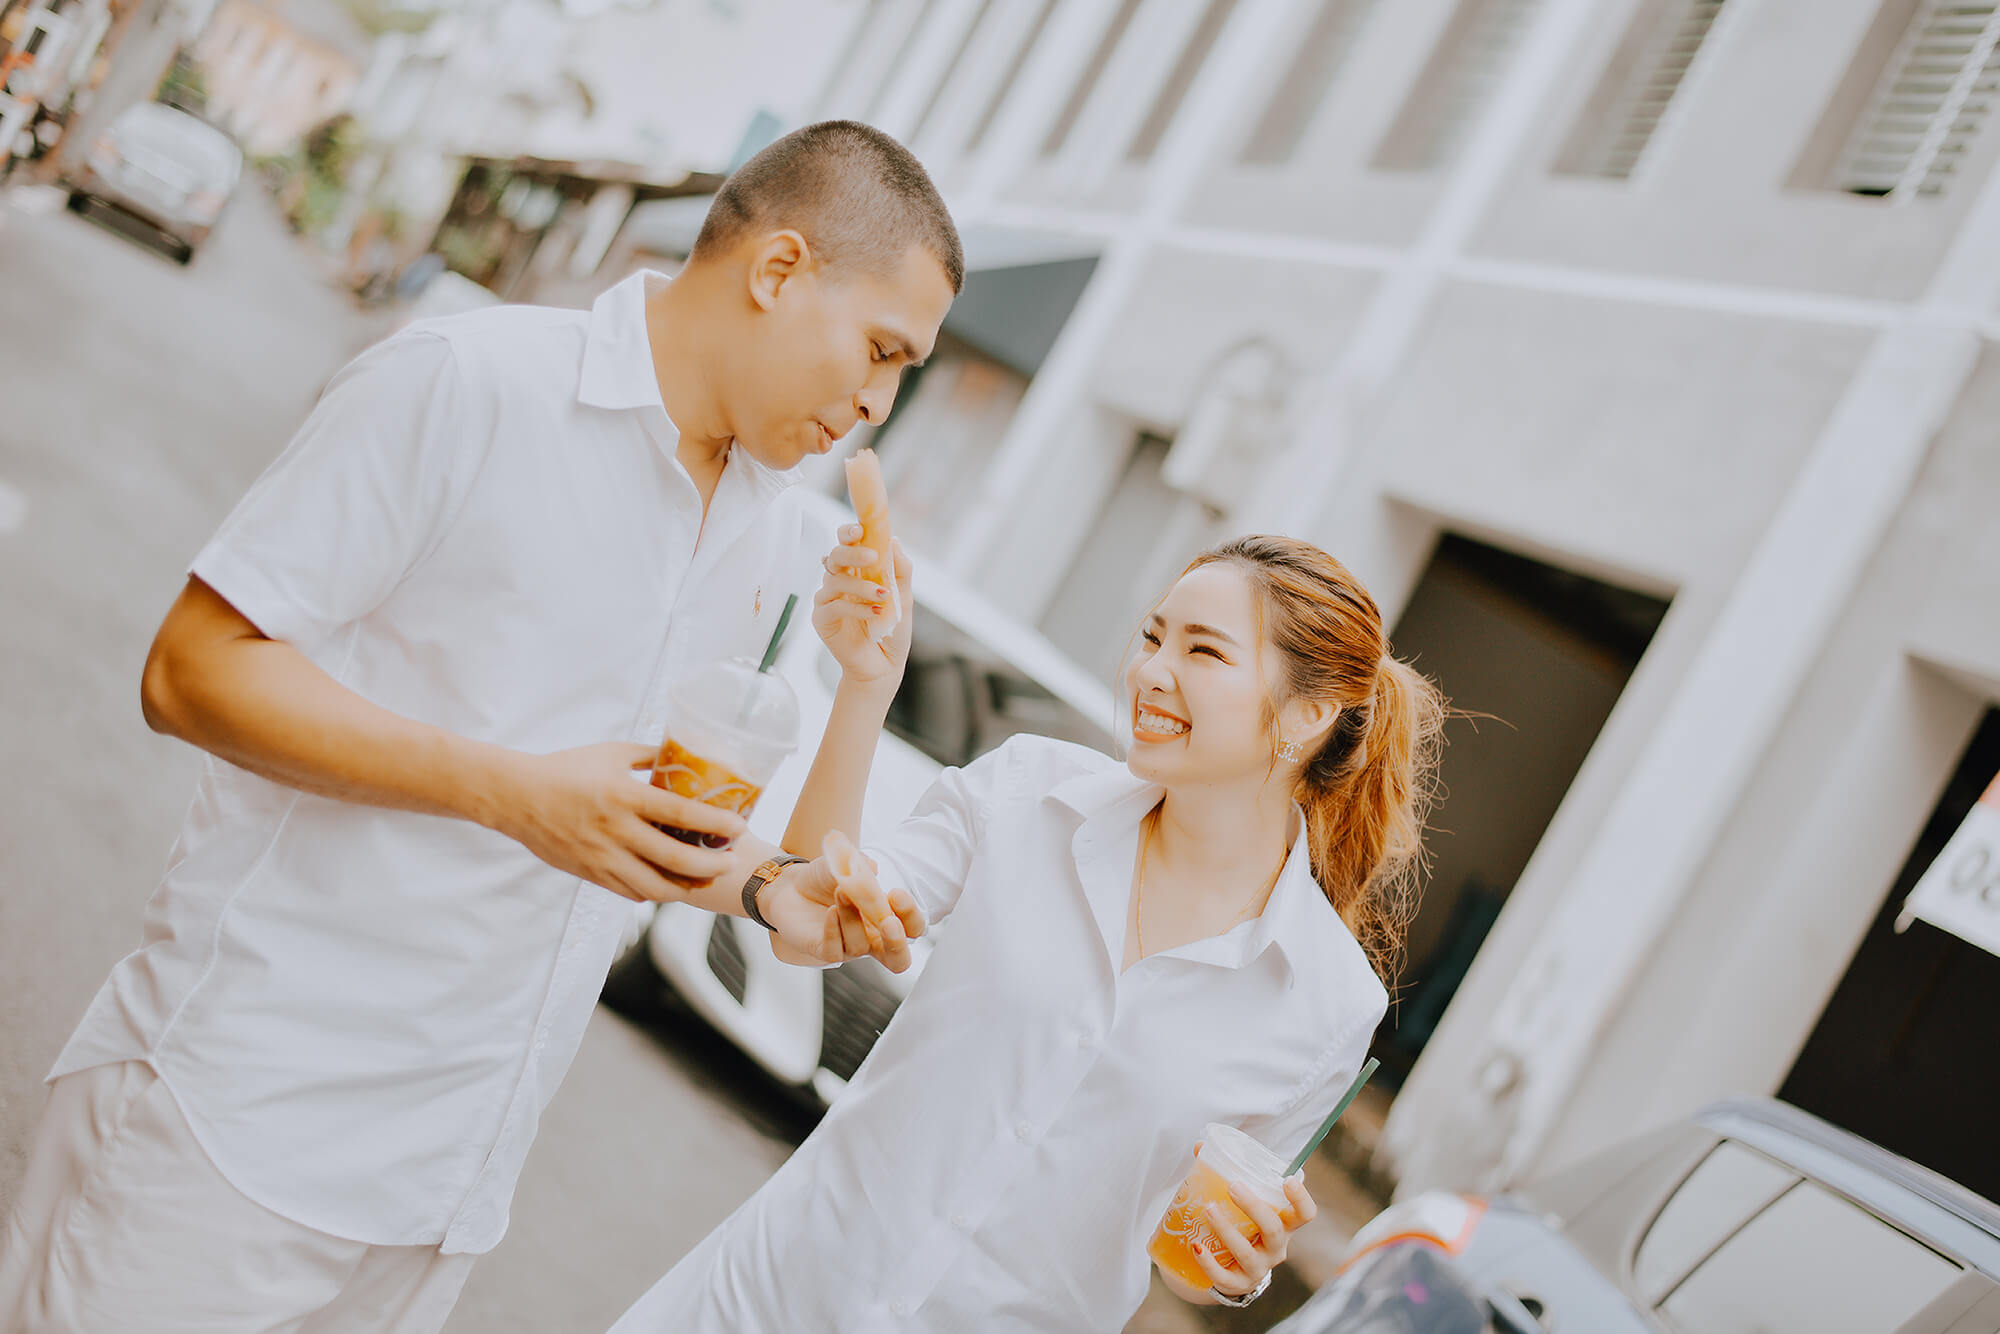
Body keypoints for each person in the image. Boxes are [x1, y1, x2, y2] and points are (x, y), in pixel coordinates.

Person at [0, 120, 959, 1334]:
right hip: (233, 1126)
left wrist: (793, 841)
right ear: (776, 271)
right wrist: (511, 790)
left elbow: (663, 831)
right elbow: (190, 672)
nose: (877, 402)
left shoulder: (771, 533)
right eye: (881, 350)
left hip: (446, 1195)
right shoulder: (466, 378)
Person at [617, 534, 1449, 1332]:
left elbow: (1198, 1250)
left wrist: (1238, 1268)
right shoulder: (1027, 790)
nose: (1151, 672)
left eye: (1203, 652)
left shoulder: (1332, 1003)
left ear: (1308, 714)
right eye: (1153, 637)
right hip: (774, 1294)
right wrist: (866, 689)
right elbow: (809, 926)